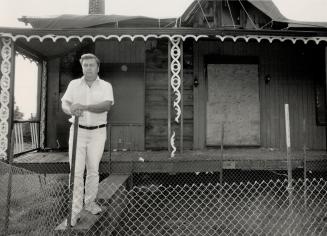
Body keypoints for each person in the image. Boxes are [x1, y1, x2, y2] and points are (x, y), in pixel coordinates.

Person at [61, 53, 114, 226]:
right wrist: (71, 110)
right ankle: (75, 211)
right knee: (76, 171)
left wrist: (84, 107)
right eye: (85, 65)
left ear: (97, 67)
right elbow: (65, 103)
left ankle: (90, 203)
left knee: (93, 170)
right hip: (78, 131)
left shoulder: (105, 86)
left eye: (92, 65)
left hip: (98, 133)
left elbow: (106, 105)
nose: (88, 68)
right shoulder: (74, 84)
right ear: (82, 67)